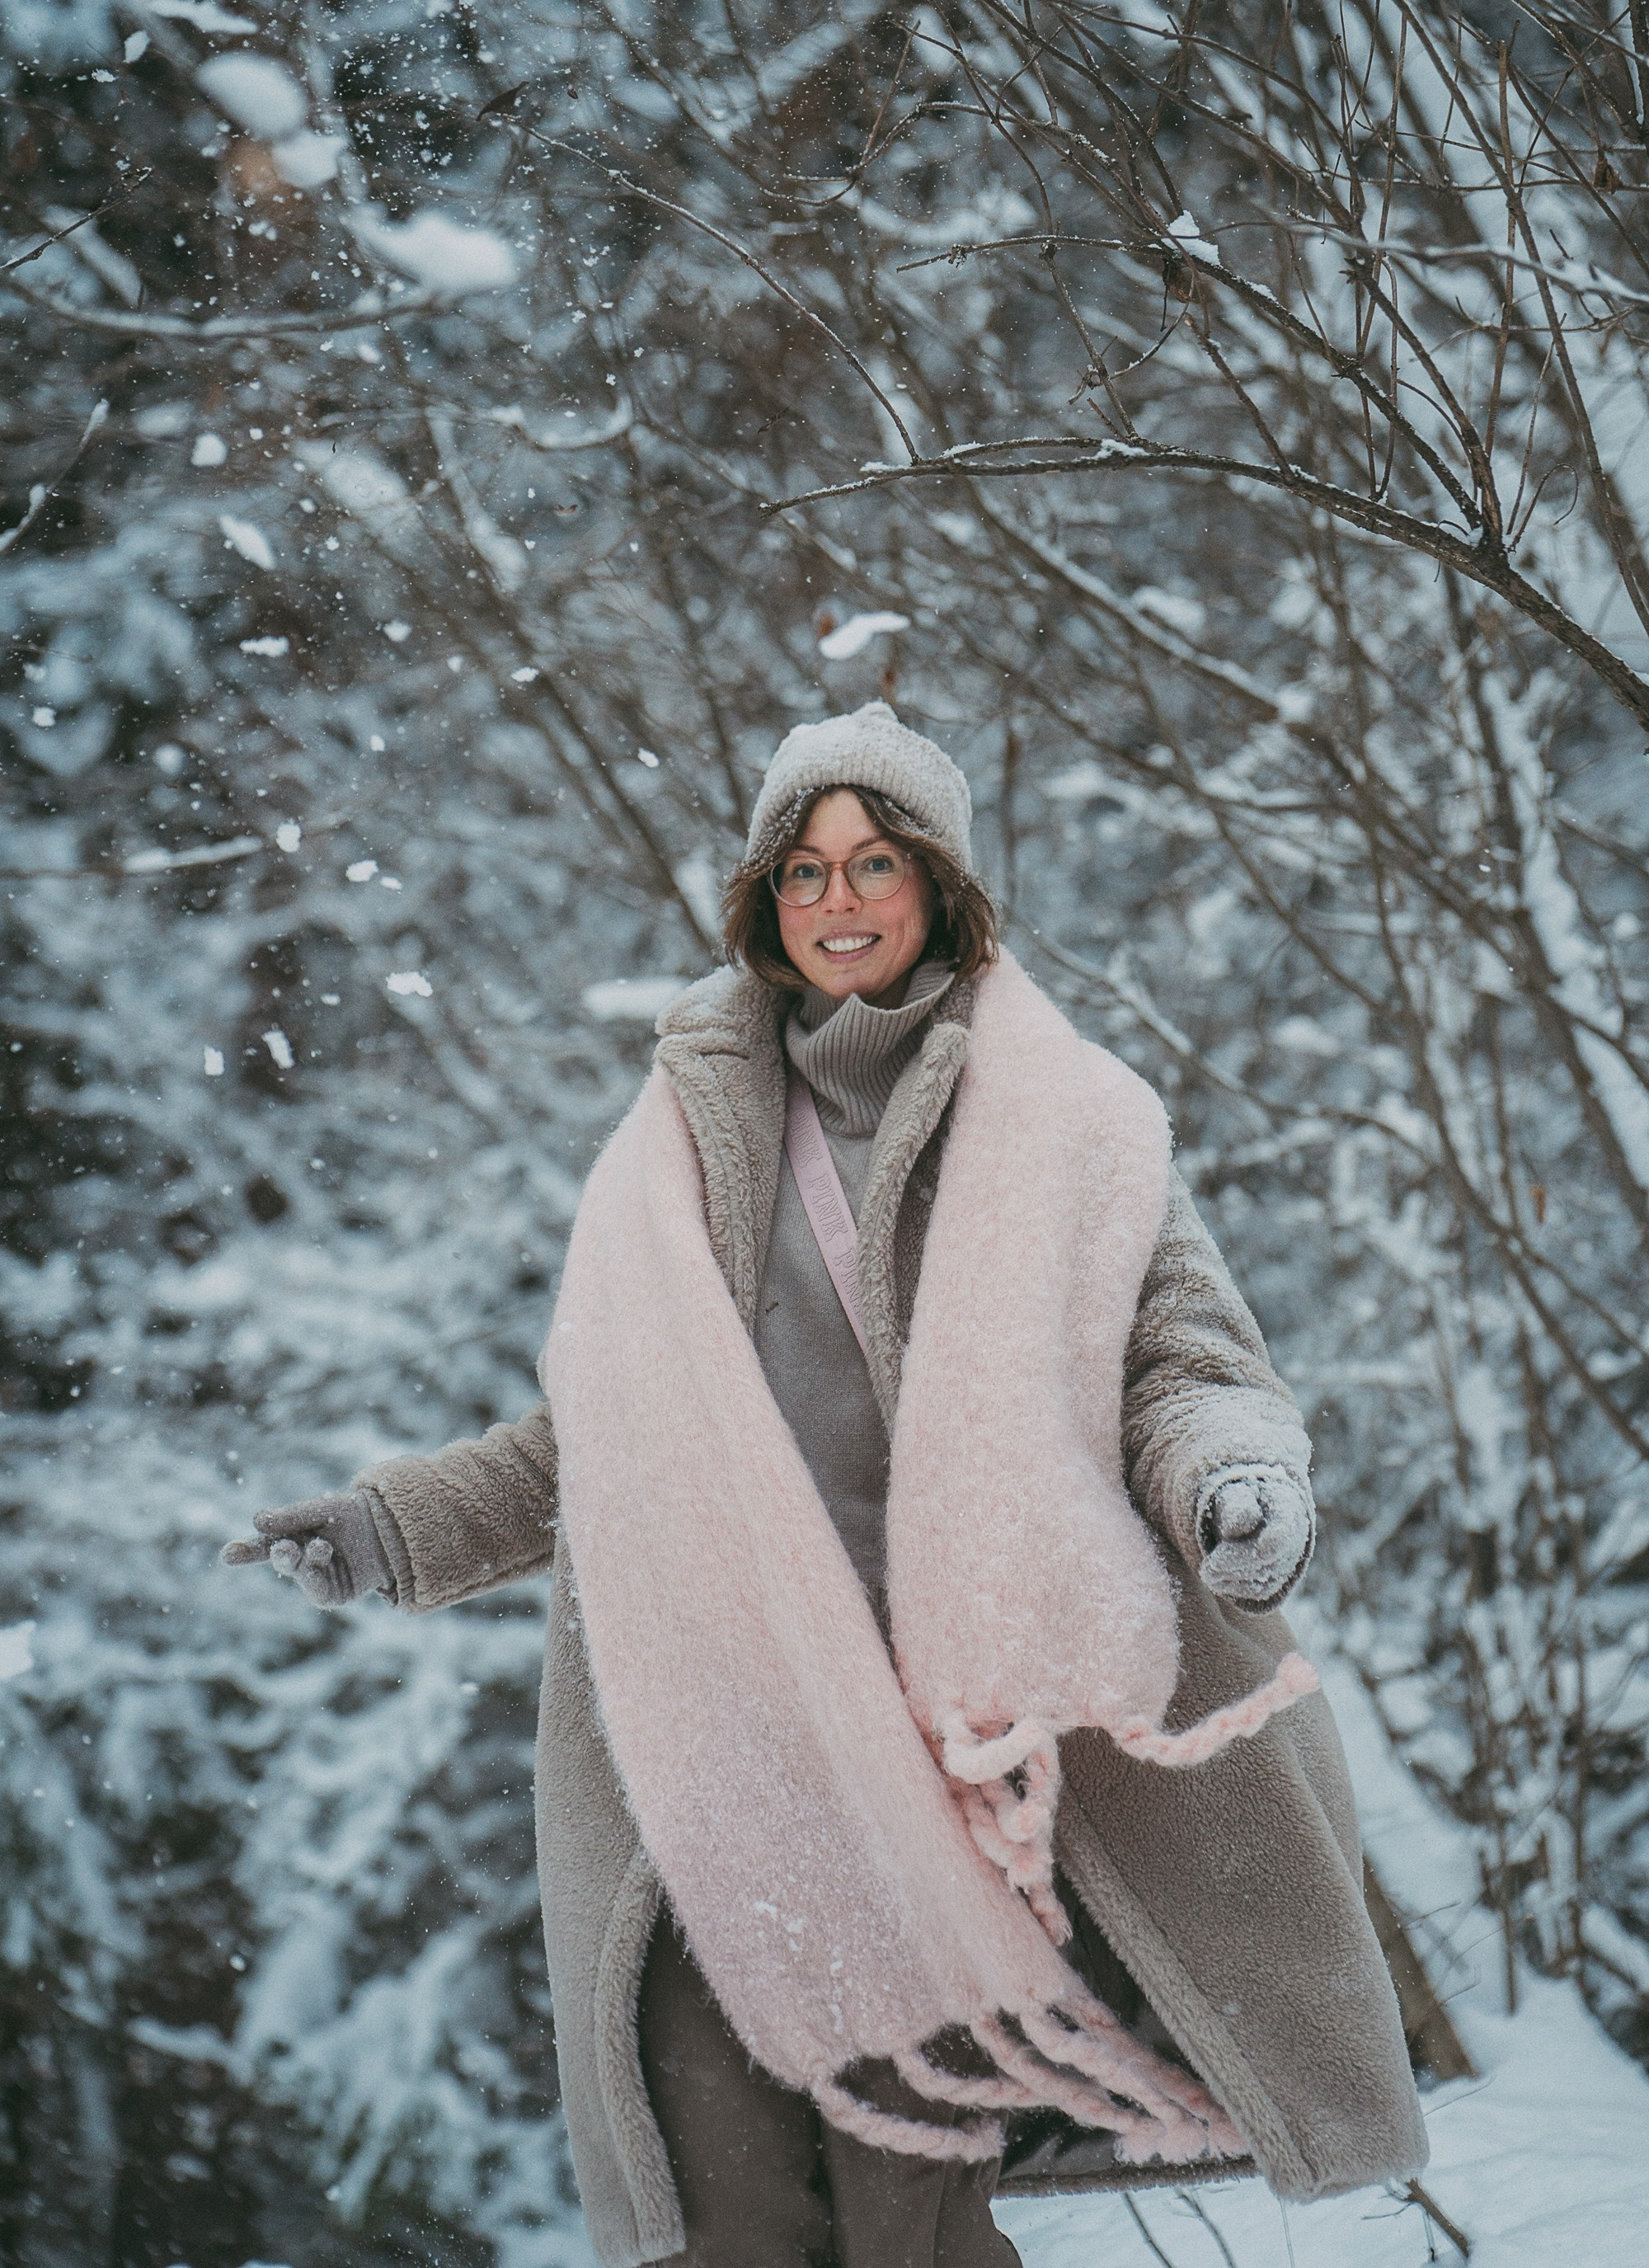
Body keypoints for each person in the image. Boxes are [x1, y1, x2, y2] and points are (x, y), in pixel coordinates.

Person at [226, 703, 1425, 2268]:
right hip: (721, 1748)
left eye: (873, 864)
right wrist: (396, 1528)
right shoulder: (678, 1148)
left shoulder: (1074, 1124)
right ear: (763, 904)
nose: (839, 899)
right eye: (802, 871)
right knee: (722, 2209)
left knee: (906, 2213)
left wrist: (1236, 1483)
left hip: (946, 1771)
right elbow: (597, 1445)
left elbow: (1182, 1373)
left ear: (937, 888)